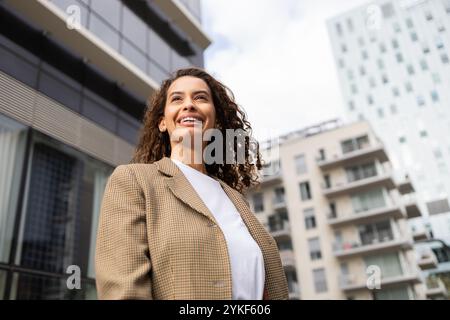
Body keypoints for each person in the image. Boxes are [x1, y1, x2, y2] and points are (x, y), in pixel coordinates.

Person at [95, 67, 289, 300]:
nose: (189, 105)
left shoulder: (236, 201)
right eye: (177, 99)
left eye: (200, 98)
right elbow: (124, 291)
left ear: (216, 122)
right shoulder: (135, 181)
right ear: (162, 123)